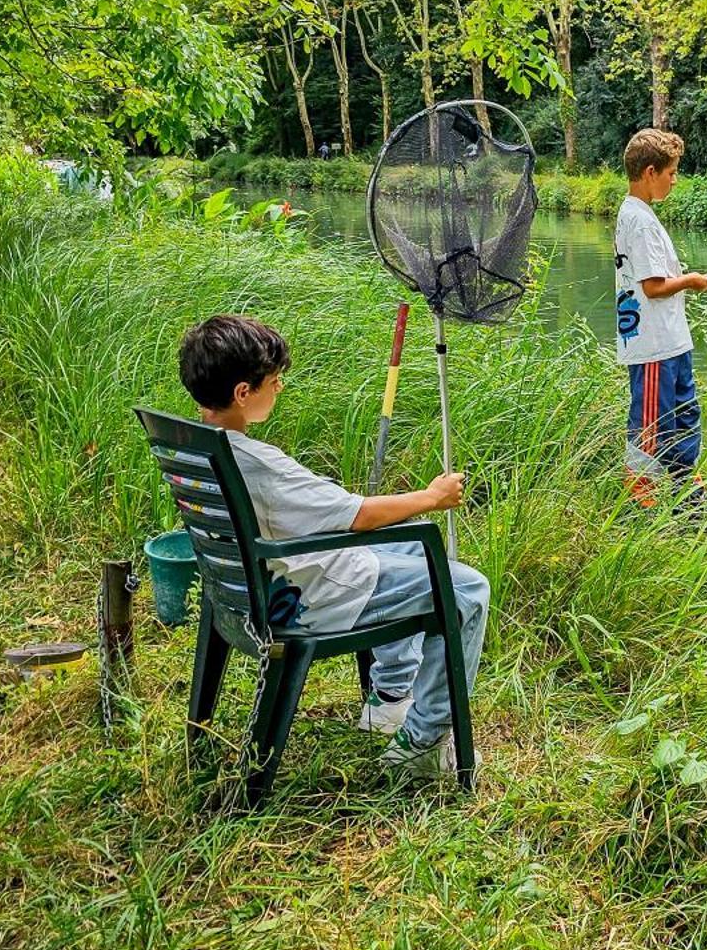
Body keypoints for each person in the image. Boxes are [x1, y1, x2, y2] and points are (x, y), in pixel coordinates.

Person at [176, 314, 489, 785]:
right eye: (274, 382)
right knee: (466, 590)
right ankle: (423, 744)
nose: (278, 389)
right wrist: (433, 495)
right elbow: (358, 515)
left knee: (412, 546)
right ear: (244, 393)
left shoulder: (191, 444)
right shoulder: (260, 465)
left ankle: (388, 699)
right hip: (301, 601)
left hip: (247, 593)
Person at [613, 129, 707, 507]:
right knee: (651, 430)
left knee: (683, 419)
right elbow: (654, 286)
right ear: (650, 172)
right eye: (672, 172)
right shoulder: (640, 220)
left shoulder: (639, 215)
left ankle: (687, 501)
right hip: (652, 346)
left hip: (671, 340)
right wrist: (694, 282)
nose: (674, 180)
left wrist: (699, 279)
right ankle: (642, 513)